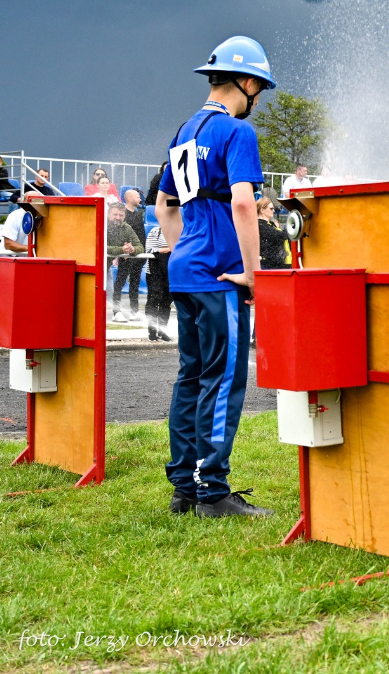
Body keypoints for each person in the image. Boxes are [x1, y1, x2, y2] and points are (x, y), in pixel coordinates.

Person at [155, 35, 275, 519]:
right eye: (259, 89)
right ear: (246, 82)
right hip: (218, 277)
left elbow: (164, 205)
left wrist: (183, 246)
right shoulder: (237, 133)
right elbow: (244, 202)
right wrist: (253, 272)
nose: (258, 99)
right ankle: (213, 492)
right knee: (223, 379)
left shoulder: (184, 130)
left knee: (191, 377)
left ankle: (184, 486)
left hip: (184, 270)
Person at [112, 188, 148, 321]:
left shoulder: (138, 214)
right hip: (125, 255)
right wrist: (123, 251)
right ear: (129, 199)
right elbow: (119, 234)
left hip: (137, 254)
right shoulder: (122, 214)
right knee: (120, 282)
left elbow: (141, 236)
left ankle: (135, 310)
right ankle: (116, 311)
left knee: (135, 283)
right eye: (138, 197)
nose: (140, 199)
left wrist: (142, 252)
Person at [144, 221, 174, 341]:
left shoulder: (179, 232)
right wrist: (169, 249)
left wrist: (167, 249)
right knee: (153, 299)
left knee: (166, 301)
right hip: (154, 271)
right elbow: (150, 250)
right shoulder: (155, 231)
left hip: (170, 271)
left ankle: (163, 331)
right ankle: (152, 332)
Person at [257, 198, 288, 270]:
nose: (273, 211)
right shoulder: (260, 224)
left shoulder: (270, 224)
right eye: (271, 209)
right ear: (262, 210)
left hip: (277, 264)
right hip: (268, 265)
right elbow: (280, 236)